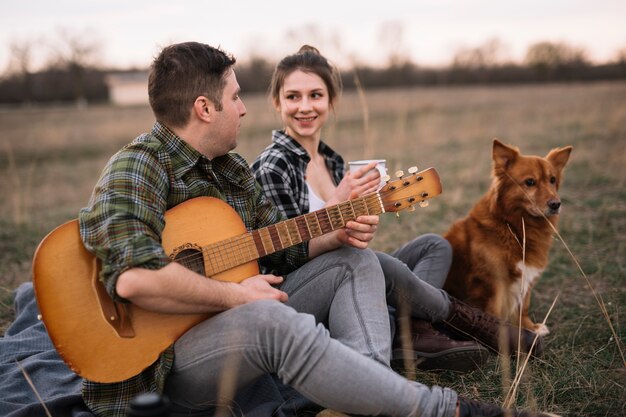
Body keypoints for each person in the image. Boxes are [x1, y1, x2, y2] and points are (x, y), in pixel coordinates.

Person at [77, 41, 551, 417]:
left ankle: (365, 394)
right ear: (204, 107)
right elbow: (136, 278)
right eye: (235, 96)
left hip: (221, 320)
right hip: (162, 364)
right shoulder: (138, 166)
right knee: (270, 321)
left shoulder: (230, 171)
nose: (243, 108)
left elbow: (281, 251)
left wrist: (332, 234)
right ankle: (449, 411)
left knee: (355, 261)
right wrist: (237, 296)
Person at [252, 45, 544, 372]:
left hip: (345, 269)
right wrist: (337, 205)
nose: (305, 106)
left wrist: (363, 219)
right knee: (366, 260)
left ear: (331, 102)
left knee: (433, 245)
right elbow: (282, 254)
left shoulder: (332, 161)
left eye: (315, 95)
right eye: (293, 97)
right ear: (277, 103)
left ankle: (410, 334)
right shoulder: (272, 166)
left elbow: (343, 238)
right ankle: (474, 327)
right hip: (297, 294)